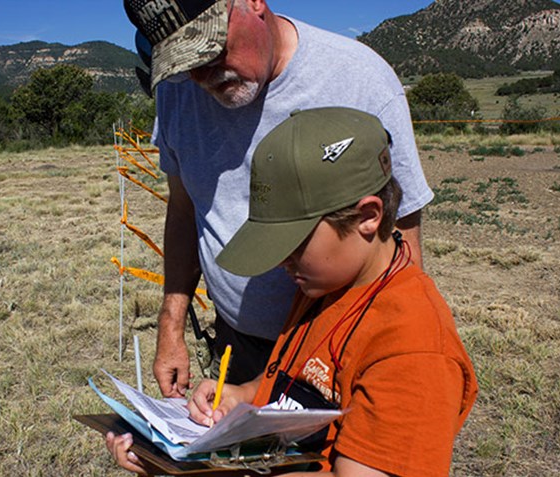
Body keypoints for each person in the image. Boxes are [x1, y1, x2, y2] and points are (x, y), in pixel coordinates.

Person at [107, 107, 477, 476]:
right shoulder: (324, 286)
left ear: (368, 216)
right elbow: (291, 387)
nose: (281, 260)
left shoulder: (413, 347)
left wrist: (204, 471)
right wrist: (242, 397)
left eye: (295, 242)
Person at [123, 0, 434, 398]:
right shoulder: (176, 93)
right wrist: (171, 325)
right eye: (183, 65)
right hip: (239, 342)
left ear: (254, 3)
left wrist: (397, 354)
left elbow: (402, 230)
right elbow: (184, 209)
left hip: (340, 344)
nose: (202, 75)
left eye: (211, 49)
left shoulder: (358, 78)